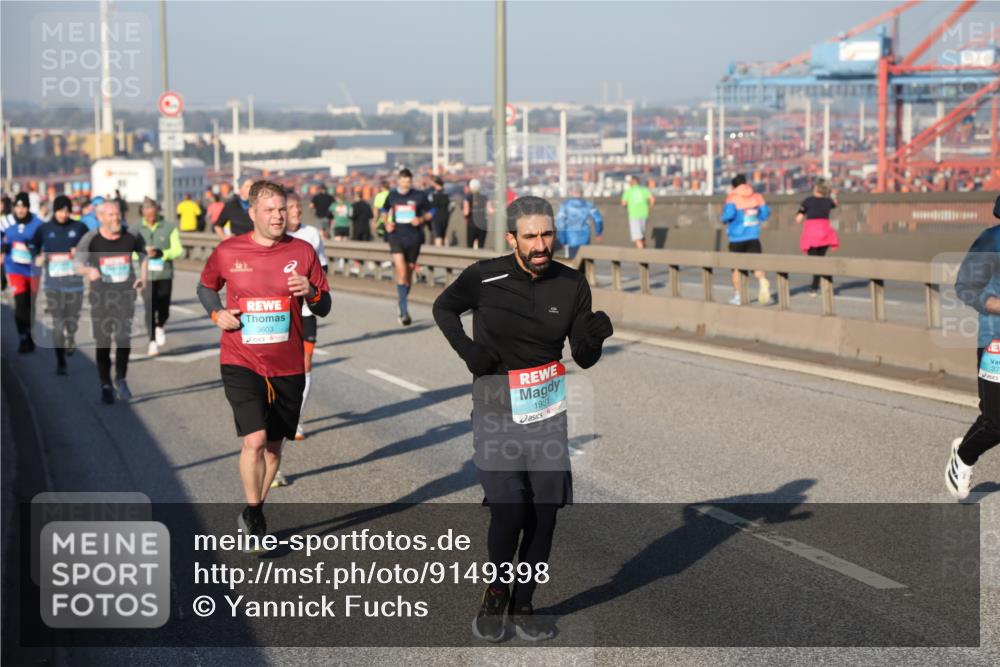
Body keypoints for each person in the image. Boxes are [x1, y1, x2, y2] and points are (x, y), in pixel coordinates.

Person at [432, 196, 614, 642]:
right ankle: (496, 592)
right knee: (511, 509)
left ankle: (525, 601)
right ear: (512, 237)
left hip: (547, 412)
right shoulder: (484, 277)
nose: (540, 244)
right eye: (530, 236)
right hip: (496, 406)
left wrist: (596, 339)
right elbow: (443, 308)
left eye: (547, 234)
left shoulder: (571, 284)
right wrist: (469, 351)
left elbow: (583, 358)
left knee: (544, 515)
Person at [198, 180, 330, 545]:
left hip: (287, 363)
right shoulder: (229, 251)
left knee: (274, 449)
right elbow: (206, 286)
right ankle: (254, 514)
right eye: (270, 210)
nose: (277, 216)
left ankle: (254, 509)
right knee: (254, 440)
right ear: (252, 213)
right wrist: (217, 313)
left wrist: (312, 292)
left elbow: (324, 304)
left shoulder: (303, 252)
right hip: (241, 358)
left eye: (282, 209)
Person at [946, 194, 1000, 501]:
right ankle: (964, 455)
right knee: (996, 422)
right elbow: (965, 287)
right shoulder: (992, 240)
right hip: (996, 342)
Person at [76, 201, 147, 404]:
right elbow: (77, 263)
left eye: (117, 214)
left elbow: (143, 256)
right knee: (104, 342)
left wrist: (143, 277)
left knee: (123, 338)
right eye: (111, 215)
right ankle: (105, 383)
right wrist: (88, 271)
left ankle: (121, 378)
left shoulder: (131, 235)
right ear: (100, 217)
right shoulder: (91, 238)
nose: (116, 218)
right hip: (101, 297)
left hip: (126, 295)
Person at [284, 190, 329, 445]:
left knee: (306, 361)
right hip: (281, 310)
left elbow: (322, 268)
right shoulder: (277, 236)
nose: (297, 210)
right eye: (291, 207)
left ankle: (296, 418)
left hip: (306, 309)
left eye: (298, 207)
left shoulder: (311, 234)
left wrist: (317, 293)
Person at [31, 195, 89, 374]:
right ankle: (60, 362)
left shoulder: (79, 227)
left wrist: (79, 252)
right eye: (60, 210)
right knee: (57, 323)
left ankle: (71, 336)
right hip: (53, 284)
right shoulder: (45, 228)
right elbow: (33, 245)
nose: (63, 214)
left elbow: (91, 247)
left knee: (71, 320)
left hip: (74, 284)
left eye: (66, 210)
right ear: (54, 210)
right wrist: (37, 257)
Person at [378, 168, 433, 326]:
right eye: (403, 181)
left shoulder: (419, 196)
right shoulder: (392, 195)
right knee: (401, 272)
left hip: (414, 238)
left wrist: (422, 219)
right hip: (395, 237)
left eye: (408, 181)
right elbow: (383, 209)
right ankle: (404, 312)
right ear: (399, 181)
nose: (406, 184)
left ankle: (401, 301)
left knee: (408, 276)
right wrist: (387, 222)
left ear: (411, 181)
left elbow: (433, 210)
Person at [137, 198, 183, 356]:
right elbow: (129, 252)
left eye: (153, 215)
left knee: (164, 307)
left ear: (157, 212)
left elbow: (178, 250)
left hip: (164, 273)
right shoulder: (135, 229)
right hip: (145, 276)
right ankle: (151, 341)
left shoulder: (169, 227)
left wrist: (161, 254)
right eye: (148, 215)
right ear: (143, 213)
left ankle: (160, 325)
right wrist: (143, 255)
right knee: (149, 306)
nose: (151, 218)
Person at [1, 192, 45, 352]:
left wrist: (40, 252)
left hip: (33, 269)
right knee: (20, 302)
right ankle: (23, 337)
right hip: (14, 267)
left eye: (24, 207)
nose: (21, 210)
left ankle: (29, 331)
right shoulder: (7, 221)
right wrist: (2, 246)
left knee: (30, 303)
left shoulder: (38, 223)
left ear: (28, 207)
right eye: (18, 207)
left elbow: (45, 241)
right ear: (14, 207)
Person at [721, 174, 772, 306]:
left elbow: (729, 214)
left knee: (736, 268)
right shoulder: (757, 196)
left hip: (736, 238)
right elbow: (765, 213)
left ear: (733, 186)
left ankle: (738, 296)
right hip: (753, 236)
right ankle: (762, 281)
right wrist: (758, 218)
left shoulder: (732, 197)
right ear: (746, 183)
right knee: (756, 265)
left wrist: (724, 219)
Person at [796, 179, 840, 297]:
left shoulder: (807, 201)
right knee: (821, 260)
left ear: (815, 188)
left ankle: (814, 288)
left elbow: (798, 219)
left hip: (812, 235)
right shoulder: (828, 201)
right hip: (825, 234)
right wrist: (833, 193)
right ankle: (824, 283)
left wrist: (802, 214)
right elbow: (835, 203)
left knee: (815, 263)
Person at [555, 187, 603, 259]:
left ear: (571, 193)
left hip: (570, 239)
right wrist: (598, 233)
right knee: (584, 262)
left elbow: (560, 222)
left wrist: (562, 239)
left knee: (572, 264)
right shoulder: (589, 205)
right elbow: (598, 219)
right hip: (585, 238)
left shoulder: (565, 205)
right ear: (582, 193)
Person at [620, 175, 654, 249]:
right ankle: (644, 250)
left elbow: (623, 203)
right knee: (641, 234)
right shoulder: (644, 190)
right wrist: (649, 207)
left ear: (632, 182)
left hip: (634, 214)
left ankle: (642, 256)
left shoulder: (628, 191)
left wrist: (627, 206)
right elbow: (652, 199)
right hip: (644, 214)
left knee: (637, 237)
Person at [464, 179, 488, 249]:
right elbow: (490, 211)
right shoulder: (484, 198)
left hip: (472, 224)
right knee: (481, 246)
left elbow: (466, 212)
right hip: (483, 224)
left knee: (470, 246)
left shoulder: (467, 198)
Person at [428, 176, 452, 247]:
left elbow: (429, 206)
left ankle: (438, 254)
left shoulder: (432, 195)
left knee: (438, 235)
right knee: (444, 234)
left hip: (436, 216)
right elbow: (451, 206)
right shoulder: (448, 195)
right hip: (445, 216)